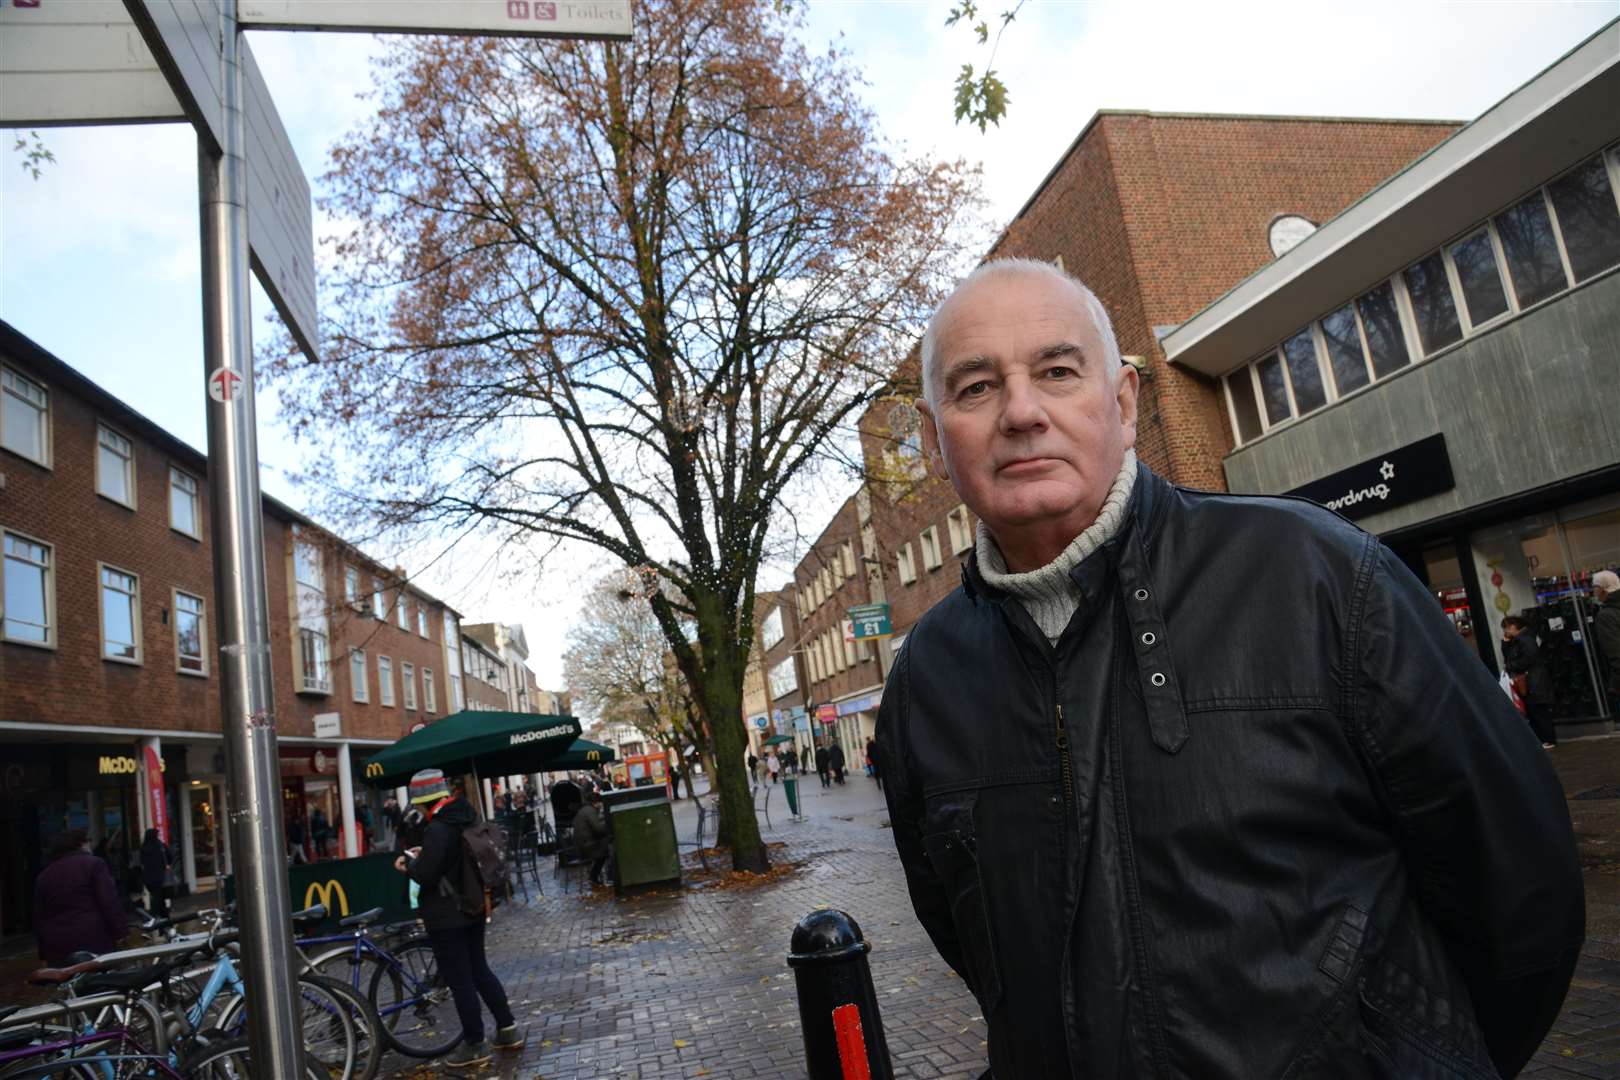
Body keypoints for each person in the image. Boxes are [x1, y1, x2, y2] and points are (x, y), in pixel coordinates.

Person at [876, 258, 1582, 1079]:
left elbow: (1520, 899)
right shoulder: (929, 676)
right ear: (933, 439)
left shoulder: (1315, 575)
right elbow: (975, 947)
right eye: (976, 389)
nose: (1022, 412)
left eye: (1058, 371)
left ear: (1124, 400)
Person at [395, 769, 526, 1069]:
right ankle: (507, 1029)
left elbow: (427, 874)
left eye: (417, 802)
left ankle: (475, 1044)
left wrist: (408, 865)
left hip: (447, 914)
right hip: (473, 906)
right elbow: (449, 859)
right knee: (479, 969)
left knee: (460, 980)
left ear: (424, 800)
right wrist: (425, 853)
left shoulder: (438, 828)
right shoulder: (465, 817)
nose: (416, 808)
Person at [34, 829, 127, 966]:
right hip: (92, 937)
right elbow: (108, 902)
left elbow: (39, 917)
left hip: (57, 944)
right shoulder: (94, 864)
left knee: (72, 983)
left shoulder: (44, 876)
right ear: (80, 843)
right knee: (103, 982)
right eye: (88, 840)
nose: (90, 844)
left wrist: (43, 953)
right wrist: (120, 932)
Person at [1503, 614, 1556, 748]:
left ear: (1513, 627)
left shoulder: (1524, 639)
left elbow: (1529, 658)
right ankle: (1544, 738)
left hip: (1532, 680)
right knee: (1534, 709)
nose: (1505, 632)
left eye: (1506, 628)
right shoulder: (1520, 639)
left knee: (1538, 710)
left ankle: (1547, 739)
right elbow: (1510, 657)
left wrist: (1511, 666)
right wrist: (1506, 643)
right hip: (1530, 680)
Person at [572, 788, 612, 886]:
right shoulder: (590, 811)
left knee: (607, 847)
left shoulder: (586, 809)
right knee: (610, 847)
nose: (601, 805)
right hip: (587, 846)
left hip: (583, 844)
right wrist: (609, 829)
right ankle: (607, 876)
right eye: (600, 803)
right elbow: (598, 829)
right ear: (596, 802)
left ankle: (596, 876)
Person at [1595, 569, 1620, 712]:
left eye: (1594, 588)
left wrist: (1615, 685)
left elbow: (1616, 653)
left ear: (1602, 590)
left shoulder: (1606, 616)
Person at [138, 828, 173, 919]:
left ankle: (164, 920)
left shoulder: (143, 848)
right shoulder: (160, 846)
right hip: (161, 877)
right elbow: (170, 856)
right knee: (158, 899)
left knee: (158, 898)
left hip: (148, 879)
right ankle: (152, 917)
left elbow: (142, 862)